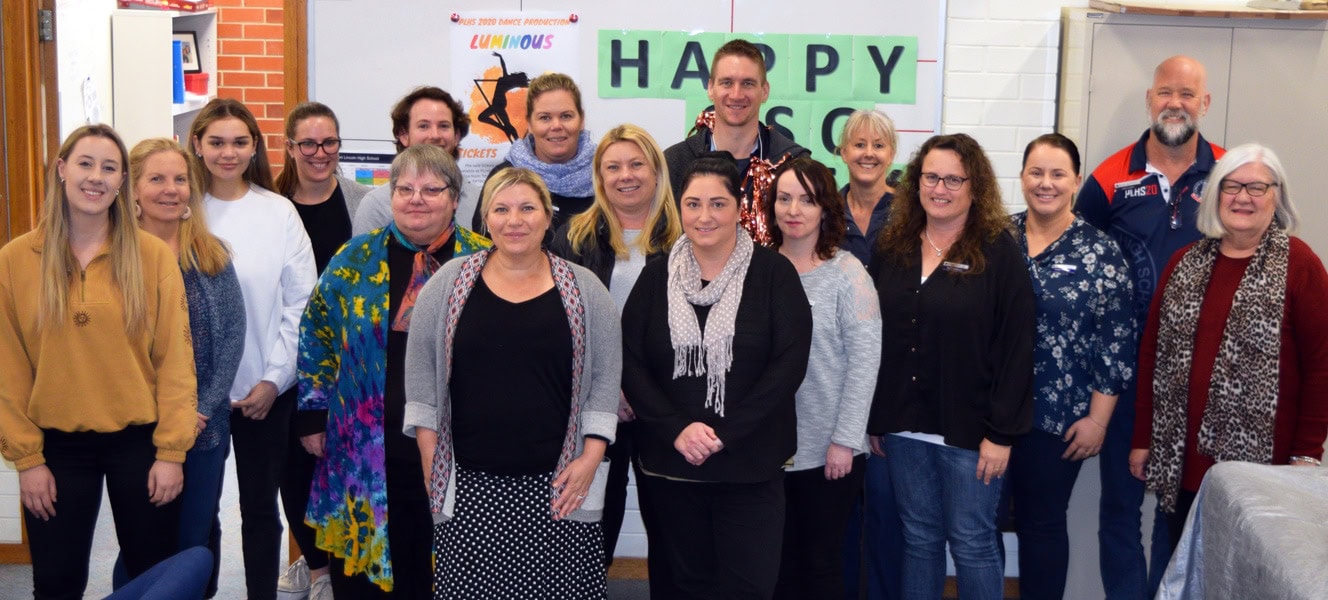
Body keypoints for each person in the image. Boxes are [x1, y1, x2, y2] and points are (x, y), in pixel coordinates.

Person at [404, 167, 621, 599]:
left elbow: (605, 379)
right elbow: (421, 378)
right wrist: (431, 459)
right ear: (485, 219)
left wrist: (591, 458)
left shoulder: (587, 290)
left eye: (527, 208)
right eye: (501, 209)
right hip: (470, 486)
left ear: (548, 217)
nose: (514, 220)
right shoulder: (447, 285)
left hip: (561, 486)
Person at [0, 124, 196, 598]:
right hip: (55, 448)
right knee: (56, 582)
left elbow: (175, 361)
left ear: (121, 181)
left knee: (152, 577)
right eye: (85, 164)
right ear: (62, 170)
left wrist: (171, 453)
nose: (96, 177)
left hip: (140, 442)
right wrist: (27, 460)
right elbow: (8, 369)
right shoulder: (15, 260)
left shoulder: (152, 257)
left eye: (109, 168)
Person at [298, 144, 490, 598]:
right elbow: (316, 335)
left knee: (445, 565)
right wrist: (312, 413)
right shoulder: (354, 259)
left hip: (458, 445)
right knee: (366, 579)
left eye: (431, 189)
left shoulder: (484, 261)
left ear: (454, 198)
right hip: (364, 445)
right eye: (405, 189)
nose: (416, 199)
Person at [622, 155, 813, 598]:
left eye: (717, 204)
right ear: (679, 207)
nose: (704, 216)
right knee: (685, 587)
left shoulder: (773, 273)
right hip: (672, 467)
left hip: (750, 466)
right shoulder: (656, 276)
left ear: (739, 206)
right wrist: (676, 429)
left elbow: (788, 365)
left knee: (749, 587)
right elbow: (630, 361)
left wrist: (725, 434)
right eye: (693, 204)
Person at [1129, 143, 1328, 565]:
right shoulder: (1184, 263)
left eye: (1257, 187)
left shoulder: (1300, 265)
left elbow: (1322, 367)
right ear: (1216, 194)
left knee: (1242, 576)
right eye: (1231, 186)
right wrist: (1144, 439)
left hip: (1266, 471)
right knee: (1180, 572)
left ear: (1277, 196)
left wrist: (1307, 454)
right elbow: (1151, 356)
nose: (1243, 197)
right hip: (1181, 462)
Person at [1075, 55, 1225, 598]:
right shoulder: (1108, 178)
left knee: (1179, 509)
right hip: (1123, 376)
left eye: (1187, 94)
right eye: (1165, 92)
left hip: (1198, 378)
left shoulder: (1229, 175)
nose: (1175, 104)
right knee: (1119, 507)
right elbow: (1079, 260)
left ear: (1204, 103)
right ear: (1149, 99)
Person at [867, 133, 1034, 600]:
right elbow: (876, 336)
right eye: (930, 177)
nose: (939, 189)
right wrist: (877, 417)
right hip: (904, 428)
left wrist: (1001, 434)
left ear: (974, 187)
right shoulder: (893, 246)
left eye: (953, 180)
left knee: (972, 543)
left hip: (972, 433)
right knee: (919, 539)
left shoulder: (998, 252)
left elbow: (1017, 346)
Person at [191, 98, 317, 600]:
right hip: (196, 397)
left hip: (265, 393)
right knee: (200, 511)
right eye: (217, 142)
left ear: (255, 147)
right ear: (197, 145)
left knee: (261, 509)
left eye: (239, 142)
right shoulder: (182, 210)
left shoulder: (278, 211)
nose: (229, 152)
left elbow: (302, 304)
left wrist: (273, 381)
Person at [547, 124, 681, 574]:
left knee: (671, 527)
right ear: (599, 177)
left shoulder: (684, 241)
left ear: (656, 171)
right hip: (593, 406)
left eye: (636, 164)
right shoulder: (572, 240)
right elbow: (562, 329)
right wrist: (611, 392)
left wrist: (642, 392)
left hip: (664, 406)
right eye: (613, 167)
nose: (626, 176)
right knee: (592, 525)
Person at [1008, 134, 1136, 600]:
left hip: (1058, 418)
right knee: (977, 524)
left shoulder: (1102, 253)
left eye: (1057, 174)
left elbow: (1116, 344)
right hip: (989, 411)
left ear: (1076, 181)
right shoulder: (996, 238)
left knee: (1040, 525)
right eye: (1036, 172)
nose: (1046, 183)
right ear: (1022, 177)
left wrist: (1098, 421)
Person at [130, 137, 246, 597]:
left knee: (196, 532)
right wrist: (161, 415)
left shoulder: (210, 254)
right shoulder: (116, 258)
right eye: (157, 178)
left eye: (180, 179)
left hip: (204, 424)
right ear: (133, 189)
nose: (170, 189)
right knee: (144, 538)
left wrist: (200, 408)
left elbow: (232, 336)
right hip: (138, 425)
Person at [763, 157, 880, 600]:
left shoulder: (848, 274)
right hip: (768, 451)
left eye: (807, 200)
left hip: (829, 450)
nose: (793, 210)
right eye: (784, 199)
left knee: (820, 564)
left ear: (826, 209)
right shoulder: (758, 269)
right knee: (776, 567)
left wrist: (845, 441)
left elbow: (865, 363)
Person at [273, 101, 372, 597]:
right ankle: (316, 569)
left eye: (329, 142)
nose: (319, 153)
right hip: (286, 361)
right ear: (289, 147)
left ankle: (341, 565)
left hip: (349, 364)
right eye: (308, 143)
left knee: (343, 469)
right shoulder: (271, 205)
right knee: (294, 468)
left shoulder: (362, 203)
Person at [834, 108, 904, 600]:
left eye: (878, 145)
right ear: (842, 152)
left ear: (892, 154)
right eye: (859, 144)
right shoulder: (824, 211)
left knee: (884, 509)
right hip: (833, 375)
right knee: (839, 509)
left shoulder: (910, 214)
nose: (868, 154)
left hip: (891, 377)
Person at [663, 39, 810, 244]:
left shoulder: (791, 164)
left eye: (748, 83)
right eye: (727, 83)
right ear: (711, 88)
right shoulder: (674, 163)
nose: (736, 94)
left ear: (765, 91)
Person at [471, 73, 597, 235]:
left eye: (566, 116)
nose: (556, 126)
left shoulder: (604, 175)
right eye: (545, 118)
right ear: (529, 123)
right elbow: (483, 240)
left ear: (581, 120)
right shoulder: (503, 177)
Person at [353, 86, 471, 235]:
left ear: (457, 136)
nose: (435, 135)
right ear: (404, 135)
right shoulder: (375, 206)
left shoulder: (480, 200)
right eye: (423, 126)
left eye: (443, 126)